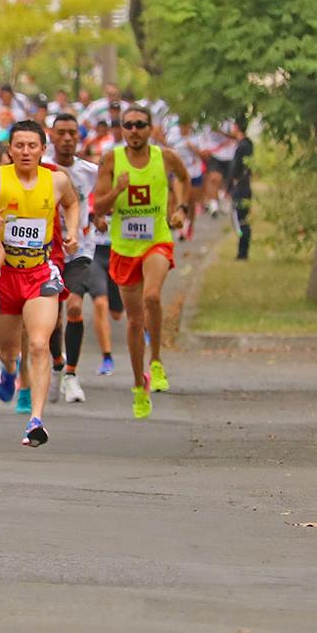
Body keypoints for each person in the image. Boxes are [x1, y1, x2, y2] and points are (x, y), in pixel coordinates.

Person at [0, 118, 83, 448]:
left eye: (32, 146)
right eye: (19, 146)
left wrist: (71, 232)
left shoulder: (56, 181)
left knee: (39, 343)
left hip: (40, 272)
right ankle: (8, 369)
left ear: (43, 149)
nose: (25, 151)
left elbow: (71, 201)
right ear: (9, 150)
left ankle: (36, 420)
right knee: (10, 349)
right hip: (5, 275)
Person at [95, 103, 190, 419]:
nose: (134, 131)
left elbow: (185, 180)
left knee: (152, 296)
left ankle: (157, 361)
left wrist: (181, 210)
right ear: (122, 130)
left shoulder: (165, 157)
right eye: (129, 125)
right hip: (124, 248)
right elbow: (98, 208)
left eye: (140, 125)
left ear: (151, 128)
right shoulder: (112, 159)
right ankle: (139, 385)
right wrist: (117, 191)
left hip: (157, 242)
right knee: (134, 321)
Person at [46, 112, 98, 404]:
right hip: (48, 249)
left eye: (72, 133)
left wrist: (100, 216)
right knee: (53, 316)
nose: (67, 139)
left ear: (79, 137)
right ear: (51, 136)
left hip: (79, 249)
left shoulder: (90, 171)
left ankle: (72, 373)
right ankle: (56, 363)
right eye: (61, 133)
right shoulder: (43, 169)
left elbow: (100, 198)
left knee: (75, 307)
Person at [225, 131, 255, 260]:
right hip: (246, 186)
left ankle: (242, 252)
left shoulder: (241, 147)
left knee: (239, 221)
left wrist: (229, 186)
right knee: (242, 219)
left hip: (240, 187)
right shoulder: (249, 145)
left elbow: (235, 168)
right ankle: (243, 250)